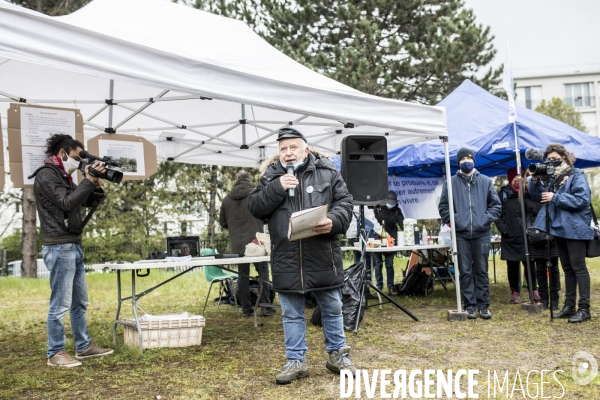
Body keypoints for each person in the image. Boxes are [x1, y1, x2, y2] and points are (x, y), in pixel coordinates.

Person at [248, 127, 355, 384]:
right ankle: (296, 360)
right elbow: (255, 207)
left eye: (293, 147)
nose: (288, 153)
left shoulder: (327, 172)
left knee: (332, 307)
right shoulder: (271, 176)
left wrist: (333, 220)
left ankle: (337, 355)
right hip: (287, 257)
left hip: (322, 253)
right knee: (291, 313)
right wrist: (277, 187)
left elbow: (345, 203)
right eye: (283, 149)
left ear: (305, 149)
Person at [33, 134, 113, 367]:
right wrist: (87, 180)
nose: (82, 162)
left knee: (80, 302)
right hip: (59, 245)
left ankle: (84, 347)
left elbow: (83, 201)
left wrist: (94, 185)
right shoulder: (47, 174)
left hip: (72, 243)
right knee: (60, 303)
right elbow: (66, 203)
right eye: (79, 157)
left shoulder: (63, 176)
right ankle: (55, 352)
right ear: (64, 152)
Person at [528, 144, 594, 323]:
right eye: (548, 159)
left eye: (555, 158)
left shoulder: (576, 175)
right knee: (567, 269)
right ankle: (569, 306)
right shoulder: (552, 178)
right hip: (559, 227)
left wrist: (555, 197)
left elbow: (582, 200)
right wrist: (534, 178)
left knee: (578, 267)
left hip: (575, 227)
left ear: (565, 157)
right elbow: (536, 196)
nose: (552, 162)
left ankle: (584, 308)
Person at [438, 148, 501, 320]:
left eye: (469, 158)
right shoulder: (450, 183)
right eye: (462, 158)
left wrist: (484, 219)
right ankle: (470, 305)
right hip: (461, 234)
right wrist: (455, 220)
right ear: (458, 162)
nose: (466, 161)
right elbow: (443, 206)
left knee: (481, 270)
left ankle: (483, 305)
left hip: (481, 233)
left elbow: (496, 206)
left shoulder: (486, 182)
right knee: (465, 270)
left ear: (474, 160)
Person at [219, 170, 274, 317]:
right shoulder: (256, 195)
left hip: (238, 244)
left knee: (242, 275)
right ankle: (265, 306)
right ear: (249, 181)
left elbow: (223, 223)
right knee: (263, 273)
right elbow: (266, 217)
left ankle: (246, 309)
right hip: (256, 244)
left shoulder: (226, 200)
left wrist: (235, 229)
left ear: (236, 181)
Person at [494, 168, 538, 305]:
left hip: (527, 236)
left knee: (530, 264)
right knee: (512, 266)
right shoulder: (503, 195)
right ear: (510, 179)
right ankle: (515, 292)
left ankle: (534, 290)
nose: (517, 181)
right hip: (510, 237)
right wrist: (504, 230)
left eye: (520, 177)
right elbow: (496, 214)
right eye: (515, 178)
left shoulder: (529, 193)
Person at [523, 169, 561, 310]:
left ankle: (555, 299)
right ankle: (544, 299)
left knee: (554, 268)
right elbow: (522, 213)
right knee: (539, 268)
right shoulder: (529, 194)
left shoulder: (552, 185)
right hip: (536, 234)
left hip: (552, 231)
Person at [346, 205, 383, 299]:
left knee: (358, 262)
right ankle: (365, 291)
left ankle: (357, 290)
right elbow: (372, 221)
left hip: (351, 234)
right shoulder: (365, 204)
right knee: (368, 262)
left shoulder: (352, 202)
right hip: (361, 234)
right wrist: (385, 234)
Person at [374, 191, 405, 295]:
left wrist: (407, 232)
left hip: (391, 240)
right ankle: (379, 286)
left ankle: (391, 287)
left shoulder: (397, 211)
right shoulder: (377, 209)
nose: (390, 205)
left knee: (389, 264)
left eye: (393, 203)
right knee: (378, 264)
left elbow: (402, 224)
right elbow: (373, 223)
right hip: (377, 240)